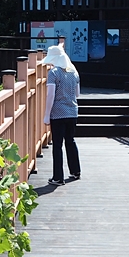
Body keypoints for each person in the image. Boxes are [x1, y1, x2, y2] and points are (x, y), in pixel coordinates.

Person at [40, 44, 81, 186]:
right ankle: (75, 171)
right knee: (70, 141)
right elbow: (77, 94)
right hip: (72, 112)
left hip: (58, 113)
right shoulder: (74, 72)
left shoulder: (53, 73)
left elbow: (50, 95)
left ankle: (58, 177)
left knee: (57, 145)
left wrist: (47, 115)